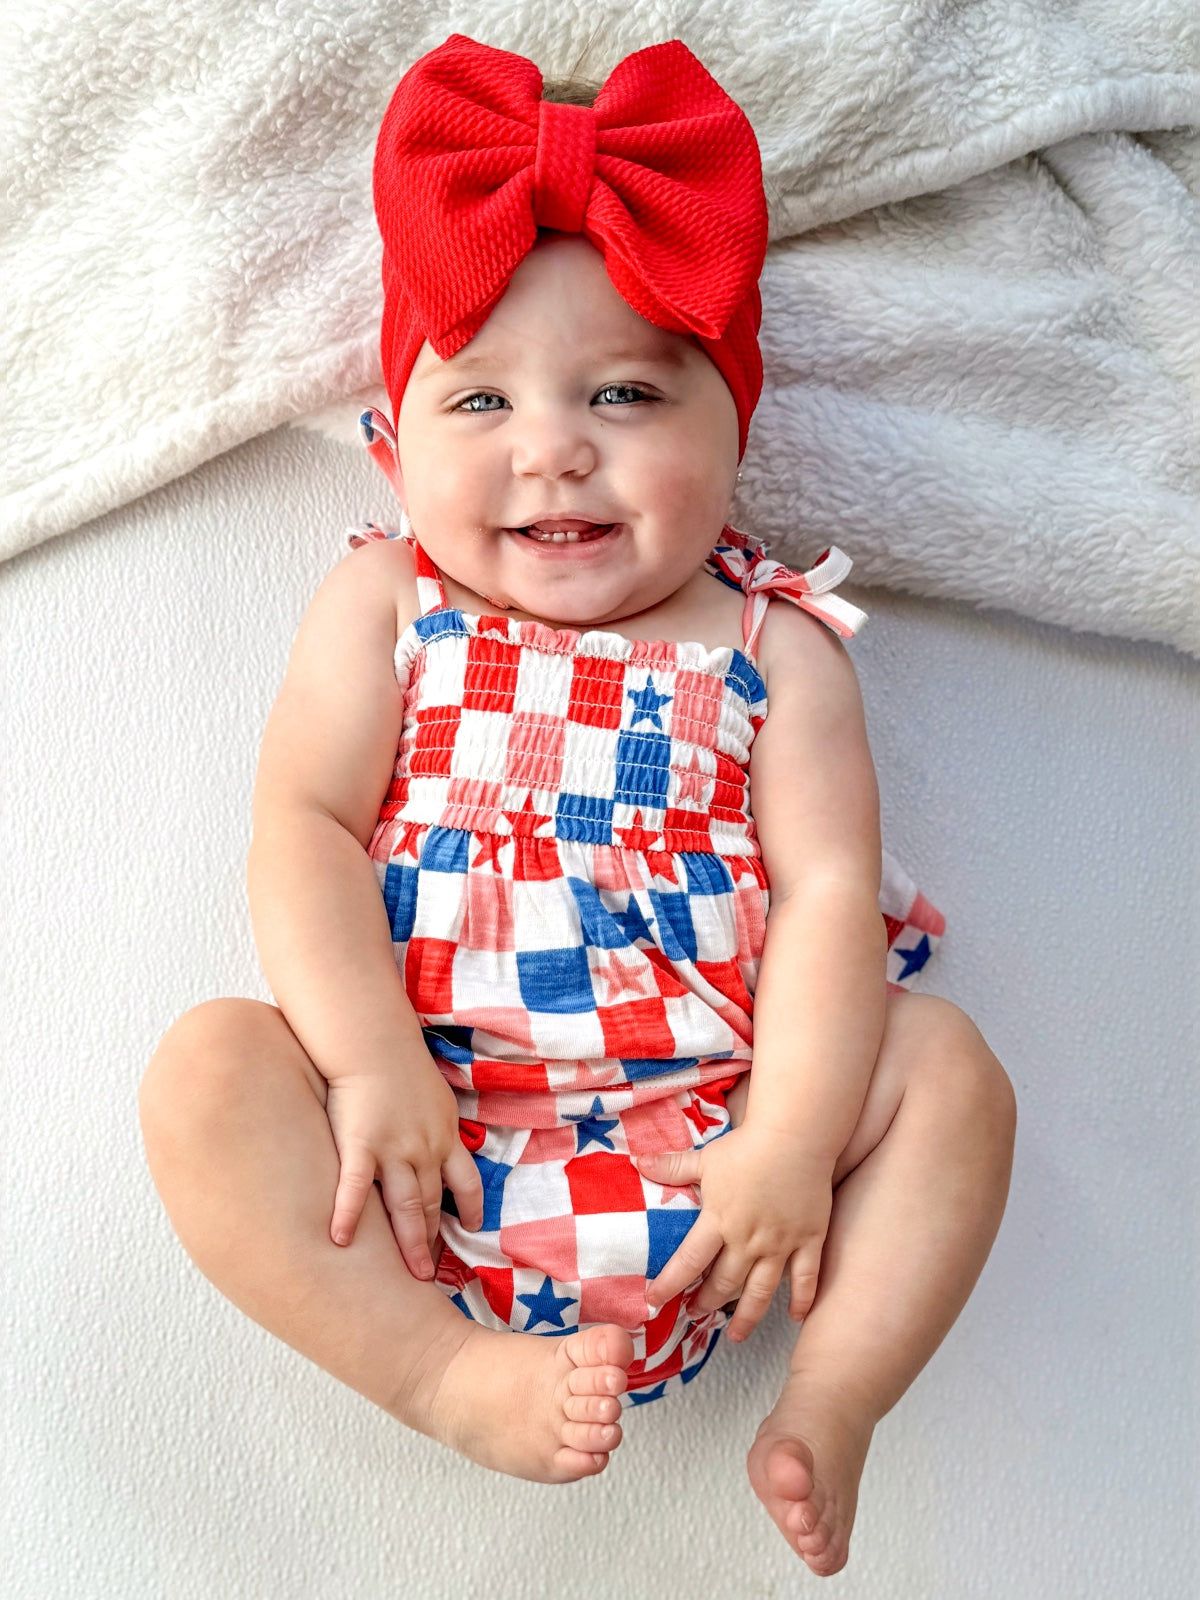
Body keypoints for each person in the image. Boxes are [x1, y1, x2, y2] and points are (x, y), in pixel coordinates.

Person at [139, 35, 1015, 1577]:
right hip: (430, 1153)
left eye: (625, 391)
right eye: (481, 402)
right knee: (205, 1075)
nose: (555, 447)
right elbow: (303, 829)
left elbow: (825, 894)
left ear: (734, 429)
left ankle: (835, 1396)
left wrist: (796, 1140)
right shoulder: (386, 603)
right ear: (393, 441)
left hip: (724, 1176)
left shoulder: (774, 647)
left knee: (946, 1074)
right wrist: (367, 1064)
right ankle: (440, 1373)